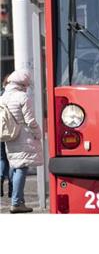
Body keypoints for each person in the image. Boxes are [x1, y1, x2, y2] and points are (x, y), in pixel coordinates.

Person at [0, 69, 43, 213]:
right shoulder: (22, 97)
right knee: (22, 168)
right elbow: (30, 121)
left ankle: (19, 200)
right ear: (23, 83)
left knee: (15, 166)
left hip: (10, 136)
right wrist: (38, 133)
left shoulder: (3, 96)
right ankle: (16, 202)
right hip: (24, 136)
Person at [0, 77, 10, 198]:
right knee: (12, 160)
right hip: (11, 132)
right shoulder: (13, 96)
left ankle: (0, 179)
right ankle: (12, 189)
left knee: (1, 158)